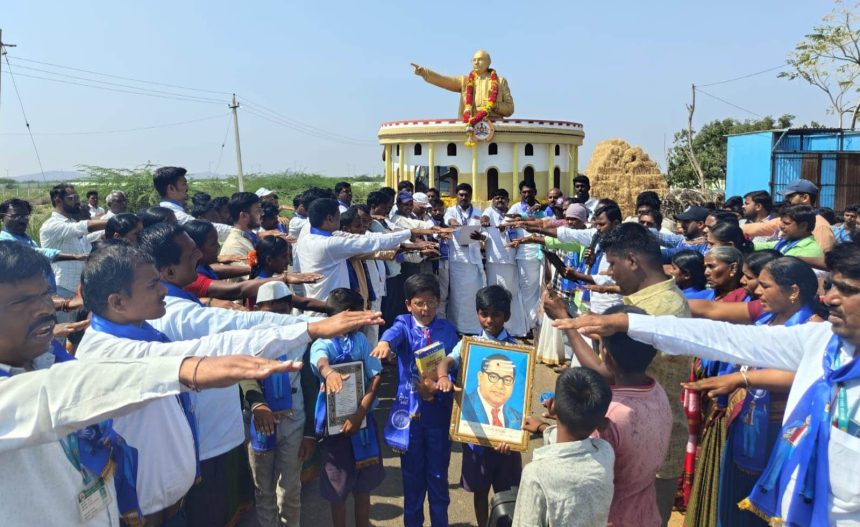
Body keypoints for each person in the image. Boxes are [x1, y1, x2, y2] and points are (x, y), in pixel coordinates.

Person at [554, 241, 860, 525]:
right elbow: (725, 337)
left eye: (845, 290)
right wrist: (628, 323)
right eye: (833, 287)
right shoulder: (823, 342)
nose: (829, 298)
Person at [0, 241, 304, 527]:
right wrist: (189, 368)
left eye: (44, 296)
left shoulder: (53, 359)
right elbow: (143, 368)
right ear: (117, 301)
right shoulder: (98, 355)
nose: (45, 309)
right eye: (25, 301)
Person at [135, 223, 381, 525]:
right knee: (224, 503)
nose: (200, 254)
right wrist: (310, 327)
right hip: (208, 440)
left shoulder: (182, 305)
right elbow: (237, 335)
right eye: (191, 252)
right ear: (167, 271)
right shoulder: (178, 313)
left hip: (226, 434)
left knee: (278, 488)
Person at [545, 222, 689, 525]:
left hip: (641, 448)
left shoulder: (658, 311)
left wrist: (564, 320)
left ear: (633, 260)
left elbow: (606, 371)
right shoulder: (648, 301)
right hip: (650, 432)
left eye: (612, 263)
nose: (609, 272)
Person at [683, 257, 822, 527]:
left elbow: (807, 376)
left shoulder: (814, 328)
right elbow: (711, 310)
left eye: (765, 286)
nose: (756, 291)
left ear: (793, 291)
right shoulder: (766, 314)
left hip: (776, 434)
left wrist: (743, 379)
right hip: (743, 425)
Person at [370, 273, 460, 527]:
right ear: (409, 304)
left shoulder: (447, 330)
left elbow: (454, 365)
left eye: (431, 302)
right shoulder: (404, 325)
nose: (426, 309)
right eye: (419, 303)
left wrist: (442, 382)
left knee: (438, 478)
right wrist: (385, 343)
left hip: (438, 415)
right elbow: (393, 333)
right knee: (412, 482)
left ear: (439, 302)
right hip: (410, 417)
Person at [436, 285, 524, 527]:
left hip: (507, 438)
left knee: (507, 494)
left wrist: (515, 433)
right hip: (476, 437)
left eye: (496, 315)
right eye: (483, 313)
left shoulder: (518, 350)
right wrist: (443, 376)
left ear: (506, 316)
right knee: (479, 490)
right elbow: (447, 361)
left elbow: (520, 396)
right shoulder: (468, 345)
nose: (489, 320)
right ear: (476, 313)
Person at [310, 288, 385, 527]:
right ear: (348, 315)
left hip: (361, 423)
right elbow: (320, 360)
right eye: (359, 312)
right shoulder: (323, 342)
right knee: (337, 488)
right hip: (335, 429)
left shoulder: (360, 340)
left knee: (363, 487)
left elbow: (375, 375)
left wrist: (360, 412)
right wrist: (328, 372)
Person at [595, 303, 672, 527]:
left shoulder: (609, 414)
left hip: (611, 517)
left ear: (606, 354)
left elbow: (588, 474)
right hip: (645, 513)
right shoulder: (658, 392)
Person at [512, 367, 614, 527]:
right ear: (603, 424)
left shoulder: (536, 475)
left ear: (551, 405)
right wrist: (543, 428)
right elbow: (574, 447)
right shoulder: (605, 453)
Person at [295, 198, 436, 301]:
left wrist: (409, 241)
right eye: (338, 216)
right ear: (330, 218)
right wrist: (409, 233)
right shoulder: (329, 244)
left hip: (323, 303)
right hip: (329, 307)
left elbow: (370, 237)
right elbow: (372, 241)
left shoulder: (307, 239)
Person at [39, 184, 108, 298]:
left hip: (79, 288)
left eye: (77, 197)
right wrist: (114, 222)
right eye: (72, 198)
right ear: (58, 201)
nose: (78, 202)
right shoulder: (52, 225)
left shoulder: (70, 222)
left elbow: (85, 238)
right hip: (62, 290)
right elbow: (82, 227)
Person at [411, 49, 514, 120]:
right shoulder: (465, 81)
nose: (476, 62)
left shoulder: (500, 81)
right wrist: (424, 72)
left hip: (494, 126)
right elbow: (444, 80)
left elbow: (510, 109)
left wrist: (495, 105)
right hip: (469, 125)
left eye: (480, 59)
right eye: (474, 60)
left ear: (488, 62)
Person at [480, 188, 528, 337]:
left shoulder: (512, 214)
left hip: (512, 259)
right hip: (494, 260)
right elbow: (484, 219)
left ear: (508, 200)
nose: (499, 201)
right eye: (497, 198)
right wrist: (484, 222)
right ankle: (497, 327)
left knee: (511, 294)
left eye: (503, 198)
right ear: (492, 200)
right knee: (495, 295)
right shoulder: (489, 212)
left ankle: (514, 329)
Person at [742, 179, 835, 252]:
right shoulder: (785, 219)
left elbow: (821, 259)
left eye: (790, 196)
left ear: (805, 198)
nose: (786, 200)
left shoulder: (820, 225)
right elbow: (760, 227)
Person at [506, 180, 545, 333]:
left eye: (530, 192)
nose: (527, 195)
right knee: (528, 291)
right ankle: (529, 325)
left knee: (540, 289)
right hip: (525, 254)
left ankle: (537, 322)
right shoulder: (516, 208)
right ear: (520, 193)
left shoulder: (542, 208)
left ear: (535, 192)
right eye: (524, 192)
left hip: (543, 253)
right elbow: (506, 224)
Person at [154, 166, 232, 241]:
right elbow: (205, 229)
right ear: (171, 188)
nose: (187, 188)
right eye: (184, 184)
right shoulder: (174, 214)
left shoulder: (163, 210)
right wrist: (239, 232)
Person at [754, 204, 824, 260]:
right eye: (781, 222)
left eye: (786, 223)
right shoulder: (786, 242)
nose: (781, 226)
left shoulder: (810, 251)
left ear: (803, 226)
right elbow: (766, 246)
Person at [219, 191, 263, 268]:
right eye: (258, 211)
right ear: (244, 216)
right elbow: (250, 277)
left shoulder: (250, 236)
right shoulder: (235, 246)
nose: (262, 214)